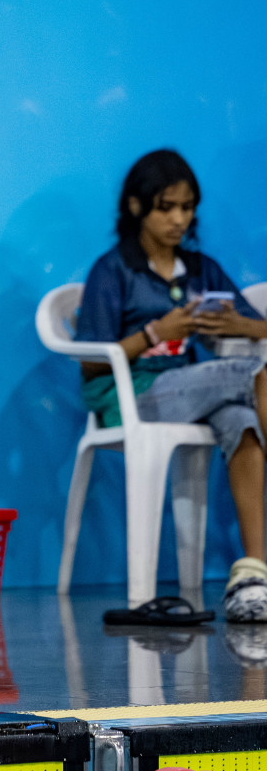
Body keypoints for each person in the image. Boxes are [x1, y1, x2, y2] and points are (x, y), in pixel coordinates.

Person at [75, 148, 267, 621]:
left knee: (243, 422)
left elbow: (258, 326)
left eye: (187, 207)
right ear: (137, 207)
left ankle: (254, 573)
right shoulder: (113, 270)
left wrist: (237, 328)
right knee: (253, 375)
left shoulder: (201, 269)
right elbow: (90, 364)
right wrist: (157, 333)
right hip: (133, 396)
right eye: (167, 207)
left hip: (196, 393)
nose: (179, 219)